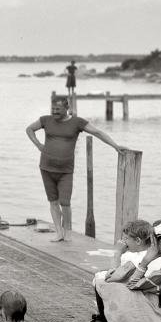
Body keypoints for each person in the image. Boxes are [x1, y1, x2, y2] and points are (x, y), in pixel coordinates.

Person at [26, 95, 127, 242]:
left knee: (65, 203)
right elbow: (29, 129)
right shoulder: (45, 120)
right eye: (53, 109)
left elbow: (98, 132)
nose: (55, 112)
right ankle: (59, 232)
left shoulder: (77, 122)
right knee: (53, 201)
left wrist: (115, 146)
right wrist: (38, 145)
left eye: (58, 109)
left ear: (67, 108)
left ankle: (67, 232)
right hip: (46, 167)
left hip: (66, 170)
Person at [83, 218, 153, 322]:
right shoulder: (147, 252)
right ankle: (103, 315)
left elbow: (113, 276)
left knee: (99, 279)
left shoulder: (138, 257)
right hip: (140, 286)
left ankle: (105, 320)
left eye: (126, 238)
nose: (123, 242)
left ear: (138, 241)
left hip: (135, 291)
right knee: (101, 275)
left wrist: (118, 252)